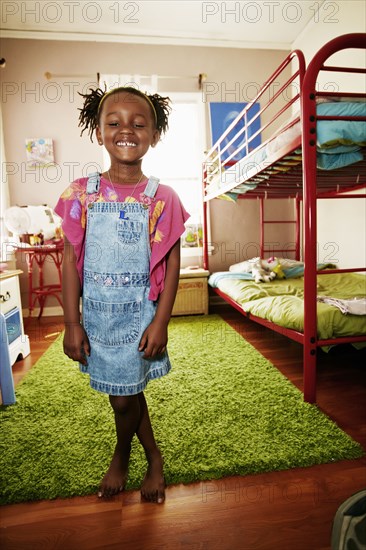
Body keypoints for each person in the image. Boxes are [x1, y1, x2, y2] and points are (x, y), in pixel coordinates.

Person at [55, 86, 190, 504]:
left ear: (153, 133)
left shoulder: (163, 198)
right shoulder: (81, 194)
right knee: (125, 391)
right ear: (99, 132)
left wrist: (161, 321)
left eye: (138, 123)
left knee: (122, 397)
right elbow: (69, 260)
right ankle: (149, 456)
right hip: (96, 318)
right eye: (114, 122)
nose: (126, 130)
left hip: (139, 317)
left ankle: (132, 455)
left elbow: (171, 267)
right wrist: (72, 323)